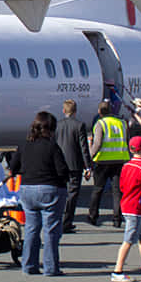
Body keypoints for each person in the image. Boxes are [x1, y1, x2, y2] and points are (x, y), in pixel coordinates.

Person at [14, 109, 69, 277]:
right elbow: (62, 171)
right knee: (51, 230)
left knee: (31, 228)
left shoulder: (24, 145)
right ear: (51, 129)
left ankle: (29, 264)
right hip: (49, 189)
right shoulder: (52, 146)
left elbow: (14, 167)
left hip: (28, 189)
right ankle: (51, 267)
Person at [109, 136, 141, 282]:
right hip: (135, 207)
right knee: (128, 240)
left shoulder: (126, 166)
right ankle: (117, 270)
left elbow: (122, 185)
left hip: (127, 204)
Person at [87, 100, 131, 229]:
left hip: (103, 160)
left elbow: (98, 143)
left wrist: (90, 156)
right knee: (117, 191)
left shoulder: (101, 123)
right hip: (120, 159)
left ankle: (93, 216)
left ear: (100, 112)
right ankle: (117, 218)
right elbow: (127, 140)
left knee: (98, 189)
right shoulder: (122, 123)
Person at [55, 99, 90, 234]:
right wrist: (88, 166)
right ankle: (67, 222)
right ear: (75, 111)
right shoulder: (79, 125)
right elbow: (83, 148)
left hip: (60, 164)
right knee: (72, 194)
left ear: (63, 111)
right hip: (74, 164)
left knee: (59, 193)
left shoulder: (57, 125)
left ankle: (58, 219)